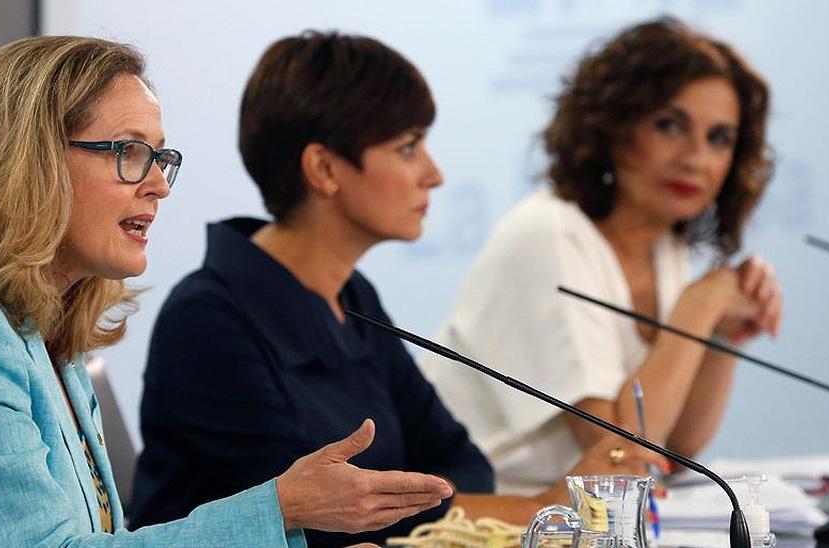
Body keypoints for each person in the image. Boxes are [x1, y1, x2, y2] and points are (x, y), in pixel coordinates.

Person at [0, 35, 453, 547]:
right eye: (128, 152)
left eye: (159, 158)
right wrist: (281, 508)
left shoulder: (40, 330)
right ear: (28, 162)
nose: (158, 185)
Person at [128, 31, 667, 547]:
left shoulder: (351, 294)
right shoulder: (208, 321)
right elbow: (320, 520)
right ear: (324, 169)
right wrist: (540, 507)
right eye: (408, 148)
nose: (433, 175)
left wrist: (425, 507)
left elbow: (461, 462)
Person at [420, 17, 783, 495]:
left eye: (719, 138)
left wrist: (722, 336)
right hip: (484, 523)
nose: (696, 157)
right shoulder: (548, 234)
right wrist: (700, 307)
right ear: (613, 125)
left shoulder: (664, 246)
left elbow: (675, 445)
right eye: (669, 126)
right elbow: (621, 447)